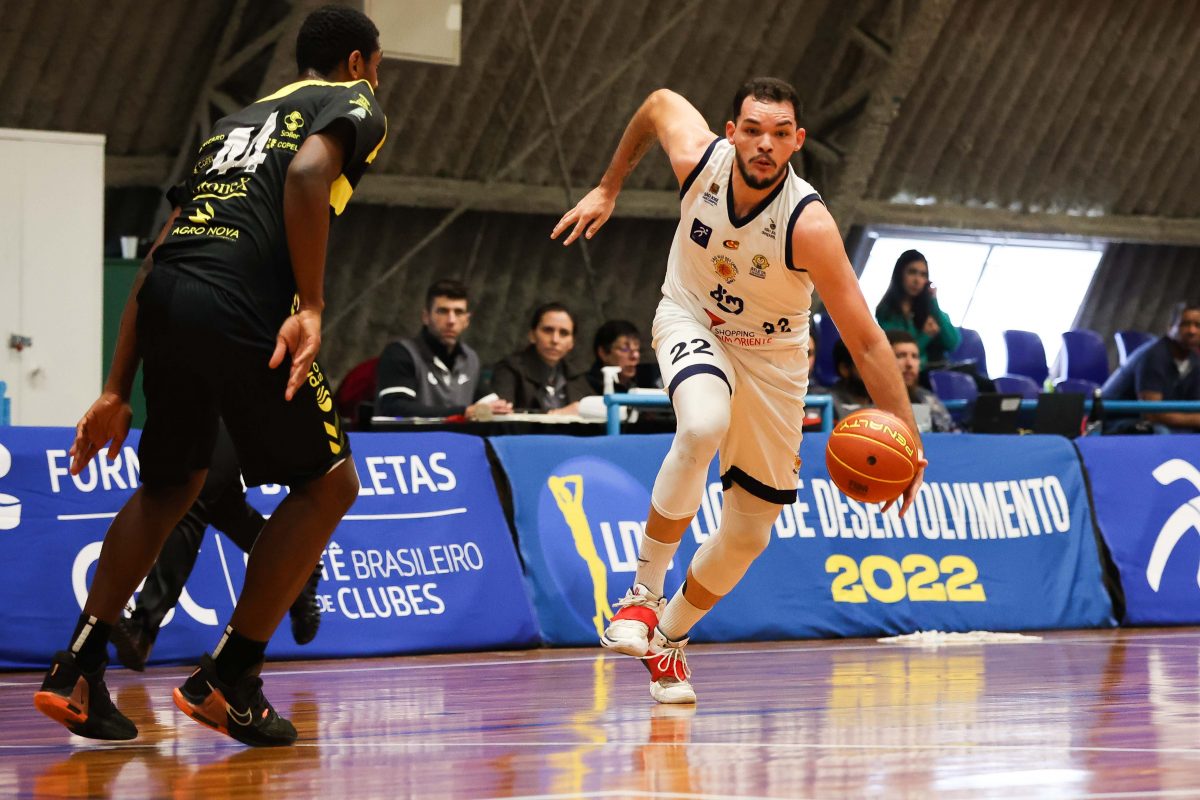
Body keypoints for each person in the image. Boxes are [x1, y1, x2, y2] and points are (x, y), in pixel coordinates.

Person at [33, 5, 387, 747]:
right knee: (330, 486)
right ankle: (231, 677)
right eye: (377, 67)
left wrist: (115, 389)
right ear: (358, 62)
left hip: (169, 298)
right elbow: (309, 172)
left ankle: (76, 668)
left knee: (172, 485)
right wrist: (312, 305)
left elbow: (158, 256)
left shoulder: (230, 127)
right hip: (241, 304)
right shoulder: (352, 101)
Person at [552, 77, 924, 704]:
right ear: (732, 133)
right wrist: (609, 186)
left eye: (779, 134)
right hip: (691, 319)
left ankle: (669, 638)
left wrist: (908, 436)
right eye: (752, 130)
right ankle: (642, 595)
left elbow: (865, 341)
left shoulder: (809, 224)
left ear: (797, 141)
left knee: (749, 535)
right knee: (702, 423)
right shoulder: (698, 160)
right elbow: (658, 103)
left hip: (774, 361)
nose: (764, 144)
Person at [109, 422, 324, 672]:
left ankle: (143, 629)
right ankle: (300, 567)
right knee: (224, 506)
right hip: (205, 412)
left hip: (248, 409)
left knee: (195, 499)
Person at [374, 279, 513, 420]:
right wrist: (463, 412)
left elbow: (487, 401)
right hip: (411, 435)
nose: (451, 320)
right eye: (443, 311)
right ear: (426, 317)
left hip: (456, 435)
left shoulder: (470, 358)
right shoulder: (401, 353)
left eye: (458, 312)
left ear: (466, 320)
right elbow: (396, 407)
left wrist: (500, 408)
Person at [1101, 301, 1200, 433]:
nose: (1192, 331)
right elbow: (1151, 414)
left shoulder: (1194, 360)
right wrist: (1195, 420)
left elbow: (1194, 406)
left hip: (1155, 421)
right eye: (1185, 324)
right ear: (1170, 327)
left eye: (1198, 325)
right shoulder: (1153, 356)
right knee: (1160, 431)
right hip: (1115, 421)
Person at [490, 302, 594, 414]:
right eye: (548, 330)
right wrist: (556, 415)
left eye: (564, 333)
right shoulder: (510, 368)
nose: (555, 340)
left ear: (572, 343)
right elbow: (501, 413)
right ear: (532, 335)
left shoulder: (576, 375)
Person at [875, 250, 961, 369]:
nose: (917, 280)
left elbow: (953, 343)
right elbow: (900, 353)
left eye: (923, 275)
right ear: (900, 274)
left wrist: (934, 302)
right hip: (911, 372)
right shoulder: (886, 312)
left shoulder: (930, 308)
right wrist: (925, 336)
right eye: (912, 272)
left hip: (939, 369)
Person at [888, 330, 957, 433]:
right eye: (901, 355)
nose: (909, 364)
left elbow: (950, 437)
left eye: (914, 356)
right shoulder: (866, 404)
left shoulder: (927, 400)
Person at [585, 320, 663, 395]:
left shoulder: (646, 381)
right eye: (625, 349)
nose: (635, 356)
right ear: (603, 353)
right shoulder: (584, 386)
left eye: (637, 349)